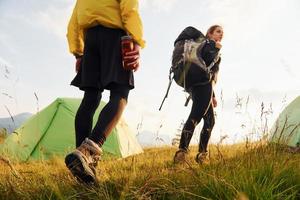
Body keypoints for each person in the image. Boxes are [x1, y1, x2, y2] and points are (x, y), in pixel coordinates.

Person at [64, 0, 145, 183]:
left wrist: (78, 53)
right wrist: (136, 41)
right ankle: (86, 154)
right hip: (115, 37)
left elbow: (73, 25)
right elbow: (130, 10)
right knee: (121, 94)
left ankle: (85, 169)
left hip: (90, 40)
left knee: (90, 99)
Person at [173, 25, 223, 164]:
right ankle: (182, 152)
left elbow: (208, 69)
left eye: (222, 33)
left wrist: (212, 96)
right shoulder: (209, 44)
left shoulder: (201, 46)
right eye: (218, 31)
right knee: (196, 116)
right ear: (209, 33)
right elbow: (208, 62)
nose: (221, 34)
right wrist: (216, 48)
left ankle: (202, 154)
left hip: (197, 85)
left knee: (210, 120)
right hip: (203, 84)